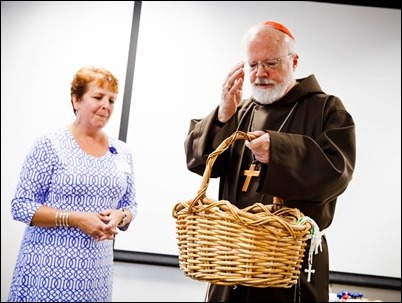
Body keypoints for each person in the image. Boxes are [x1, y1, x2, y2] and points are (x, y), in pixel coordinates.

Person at [184, 20, 356, 302]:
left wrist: (279, 152)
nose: (260, 74)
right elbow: (198, 162)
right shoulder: (240, 109)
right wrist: (223, 116)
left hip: (289, 264)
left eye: (271, 63)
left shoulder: (326, 108)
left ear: (294, 61)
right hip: (233, 260)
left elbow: (337, 173)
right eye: (252, 65)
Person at [7, 66, 137, 302]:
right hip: (47, 271)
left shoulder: (122, 152)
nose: (106, 105)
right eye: (98, 97)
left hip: (97, 274)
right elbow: (21, 206)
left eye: (111, 100)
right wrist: (76, 219)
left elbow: (131, 205)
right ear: (76, 100)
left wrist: (122, 216)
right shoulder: (50, 145)